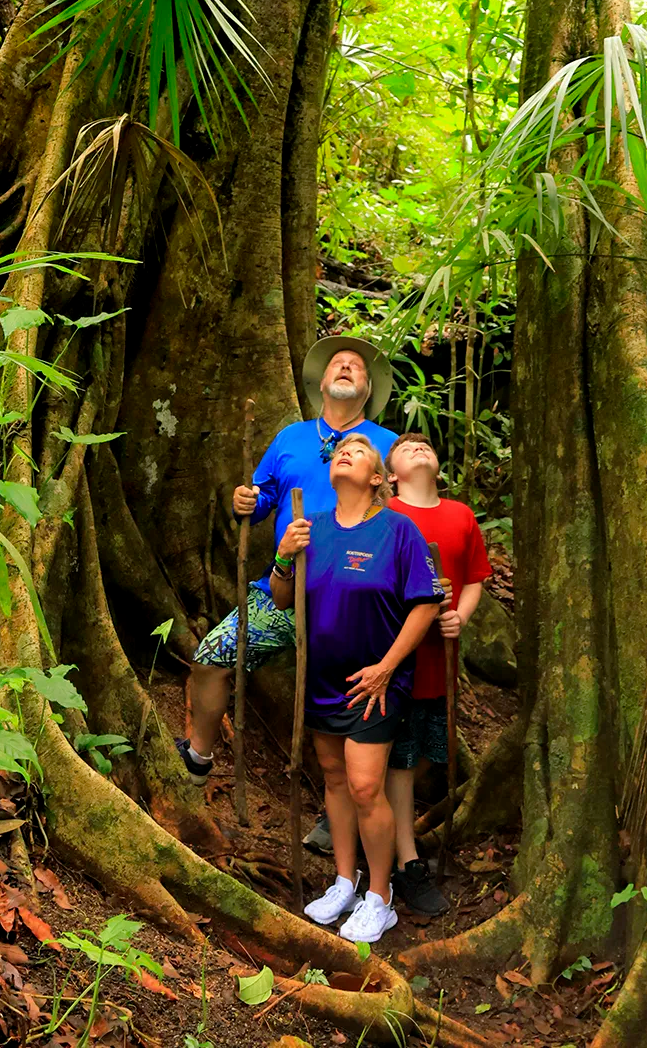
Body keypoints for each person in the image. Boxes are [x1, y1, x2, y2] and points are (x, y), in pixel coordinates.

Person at [178, 336, 396, 800]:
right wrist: (247, 501)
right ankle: (197, 758)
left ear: (368, 387)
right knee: (212, 658)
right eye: (337, 363)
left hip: (353, 599)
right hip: (282, 586)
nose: (344, 367)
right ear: (320, 382)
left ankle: (336, 812)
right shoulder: (290, 438)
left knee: (350, 703)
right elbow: (262, 500)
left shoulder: (387, 445)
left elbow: (404, 518)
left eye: (355, 366)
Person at [270, 434, 443, 943]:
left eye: (360, 450)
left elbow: (427, 603)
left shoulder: (397, 530)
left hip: (376, 684)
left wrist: (388, 667)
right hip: (322, 680)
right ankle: (346, 881)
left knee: (367, 786)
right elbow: (282, 597)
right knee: (335, 781)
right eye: (341, 448)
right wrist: (283, 555)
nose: (346, 450)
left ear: (376, 478)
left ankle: (381, 897)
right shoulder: (312, 528)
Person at [385, 432, 493, 915]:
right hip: (397, 659)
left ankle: (393, 832)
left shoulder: (461, 516)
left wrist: (460, 617)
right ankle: (405, 861)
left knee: (429, 753)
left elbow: (473, 577)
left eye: (426, 445)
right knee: (400, 760)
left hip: (439, 663)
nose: (420, 448)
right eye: (406, 448)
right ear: (390, 475)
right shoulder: (385, 515)